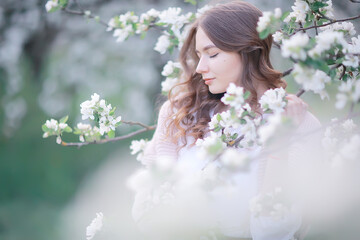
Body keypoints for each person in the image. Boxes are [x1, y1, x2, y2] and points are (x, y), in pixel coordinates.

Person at [133, 1, 322, 239]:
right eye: (199, 55)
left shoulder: (299, 123)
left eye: (212, 54)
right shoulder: (179, 114)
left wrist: (279, 143)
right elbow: (146, 213)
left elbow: (271, 230)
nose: (201, 67)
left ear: (248, 50)